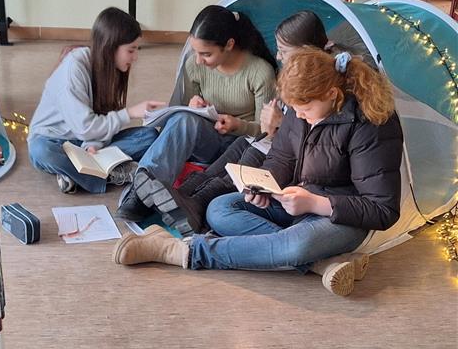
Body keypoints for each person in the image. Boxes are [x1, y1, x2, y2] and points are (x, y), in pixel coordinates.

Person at [112, 48, 403, 296]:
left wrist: (316, 204)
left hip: (340, 216)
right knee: (220, 208)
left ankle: (179, 251)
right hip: (295, 203)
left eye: (306, 108)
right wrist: (262, 187)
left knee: (298, 243)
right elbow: (280, 159)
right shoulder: (298, 112)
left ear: (331, 94)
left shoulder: (372, 124)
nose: (298, 116)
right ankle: (319, 263)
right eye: (295, 109)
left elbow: (383, 209)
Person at [136, 11, 334, 235]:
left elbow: (308, 138)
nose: (278, 57)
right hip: (263, 140)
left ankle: (194, 206)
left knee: (234, 174)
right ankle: (179, 198)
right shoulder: (293, 74)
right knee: (219, 168)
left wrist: (277, 126)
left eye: (284, 51)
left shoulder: (313, 85)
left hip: (276, 149)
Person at [116, 5, 277, 219]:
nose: (199, 60)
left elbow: (266, 132)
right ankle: (140, 191)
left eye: (206, 54)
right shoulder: (194, 65)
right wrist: (192, 105)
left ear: (229, 44)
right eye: (196, 52)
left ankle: (154, 193)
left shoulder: (259, 72)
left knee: (182, 126)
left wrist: (238, 125)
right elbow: (181, 110)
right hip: (206, 138)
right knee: (183, 118)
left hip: (241, 146)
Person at [27, 7, 164, 194]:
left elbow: (104, 118)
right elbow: (85, 127)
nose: (135, 57)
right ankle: (109, 174)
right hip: (55, 140)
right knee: (40, 150)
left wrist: (94, 145)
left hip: (85, 141)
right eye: (131, 50)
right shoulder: (73, 70)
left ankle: (76, 175)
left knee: (149, 136)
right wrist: (130, 113)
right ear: (110, 47)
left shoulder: (109, 67)